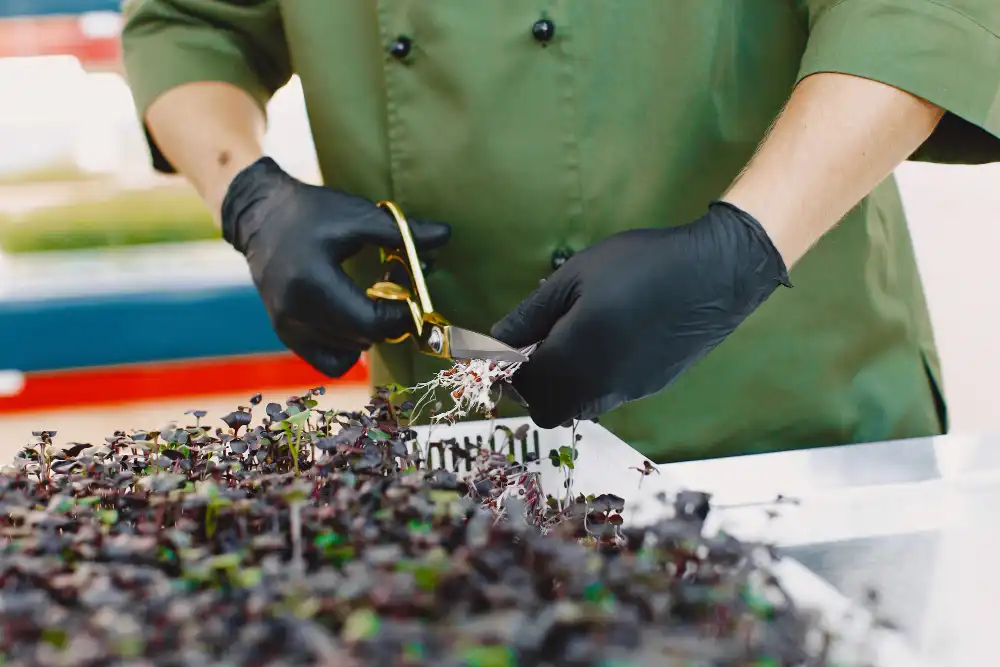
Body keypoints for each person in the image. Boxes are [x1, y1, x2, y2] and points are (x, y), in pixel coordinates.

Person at [120, 1, 1000, 463]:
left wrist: (745, 243)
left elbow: (921, 13)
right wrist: (250, 195)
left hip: (781, 420)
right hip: (453, 453)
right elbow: (190, 21)